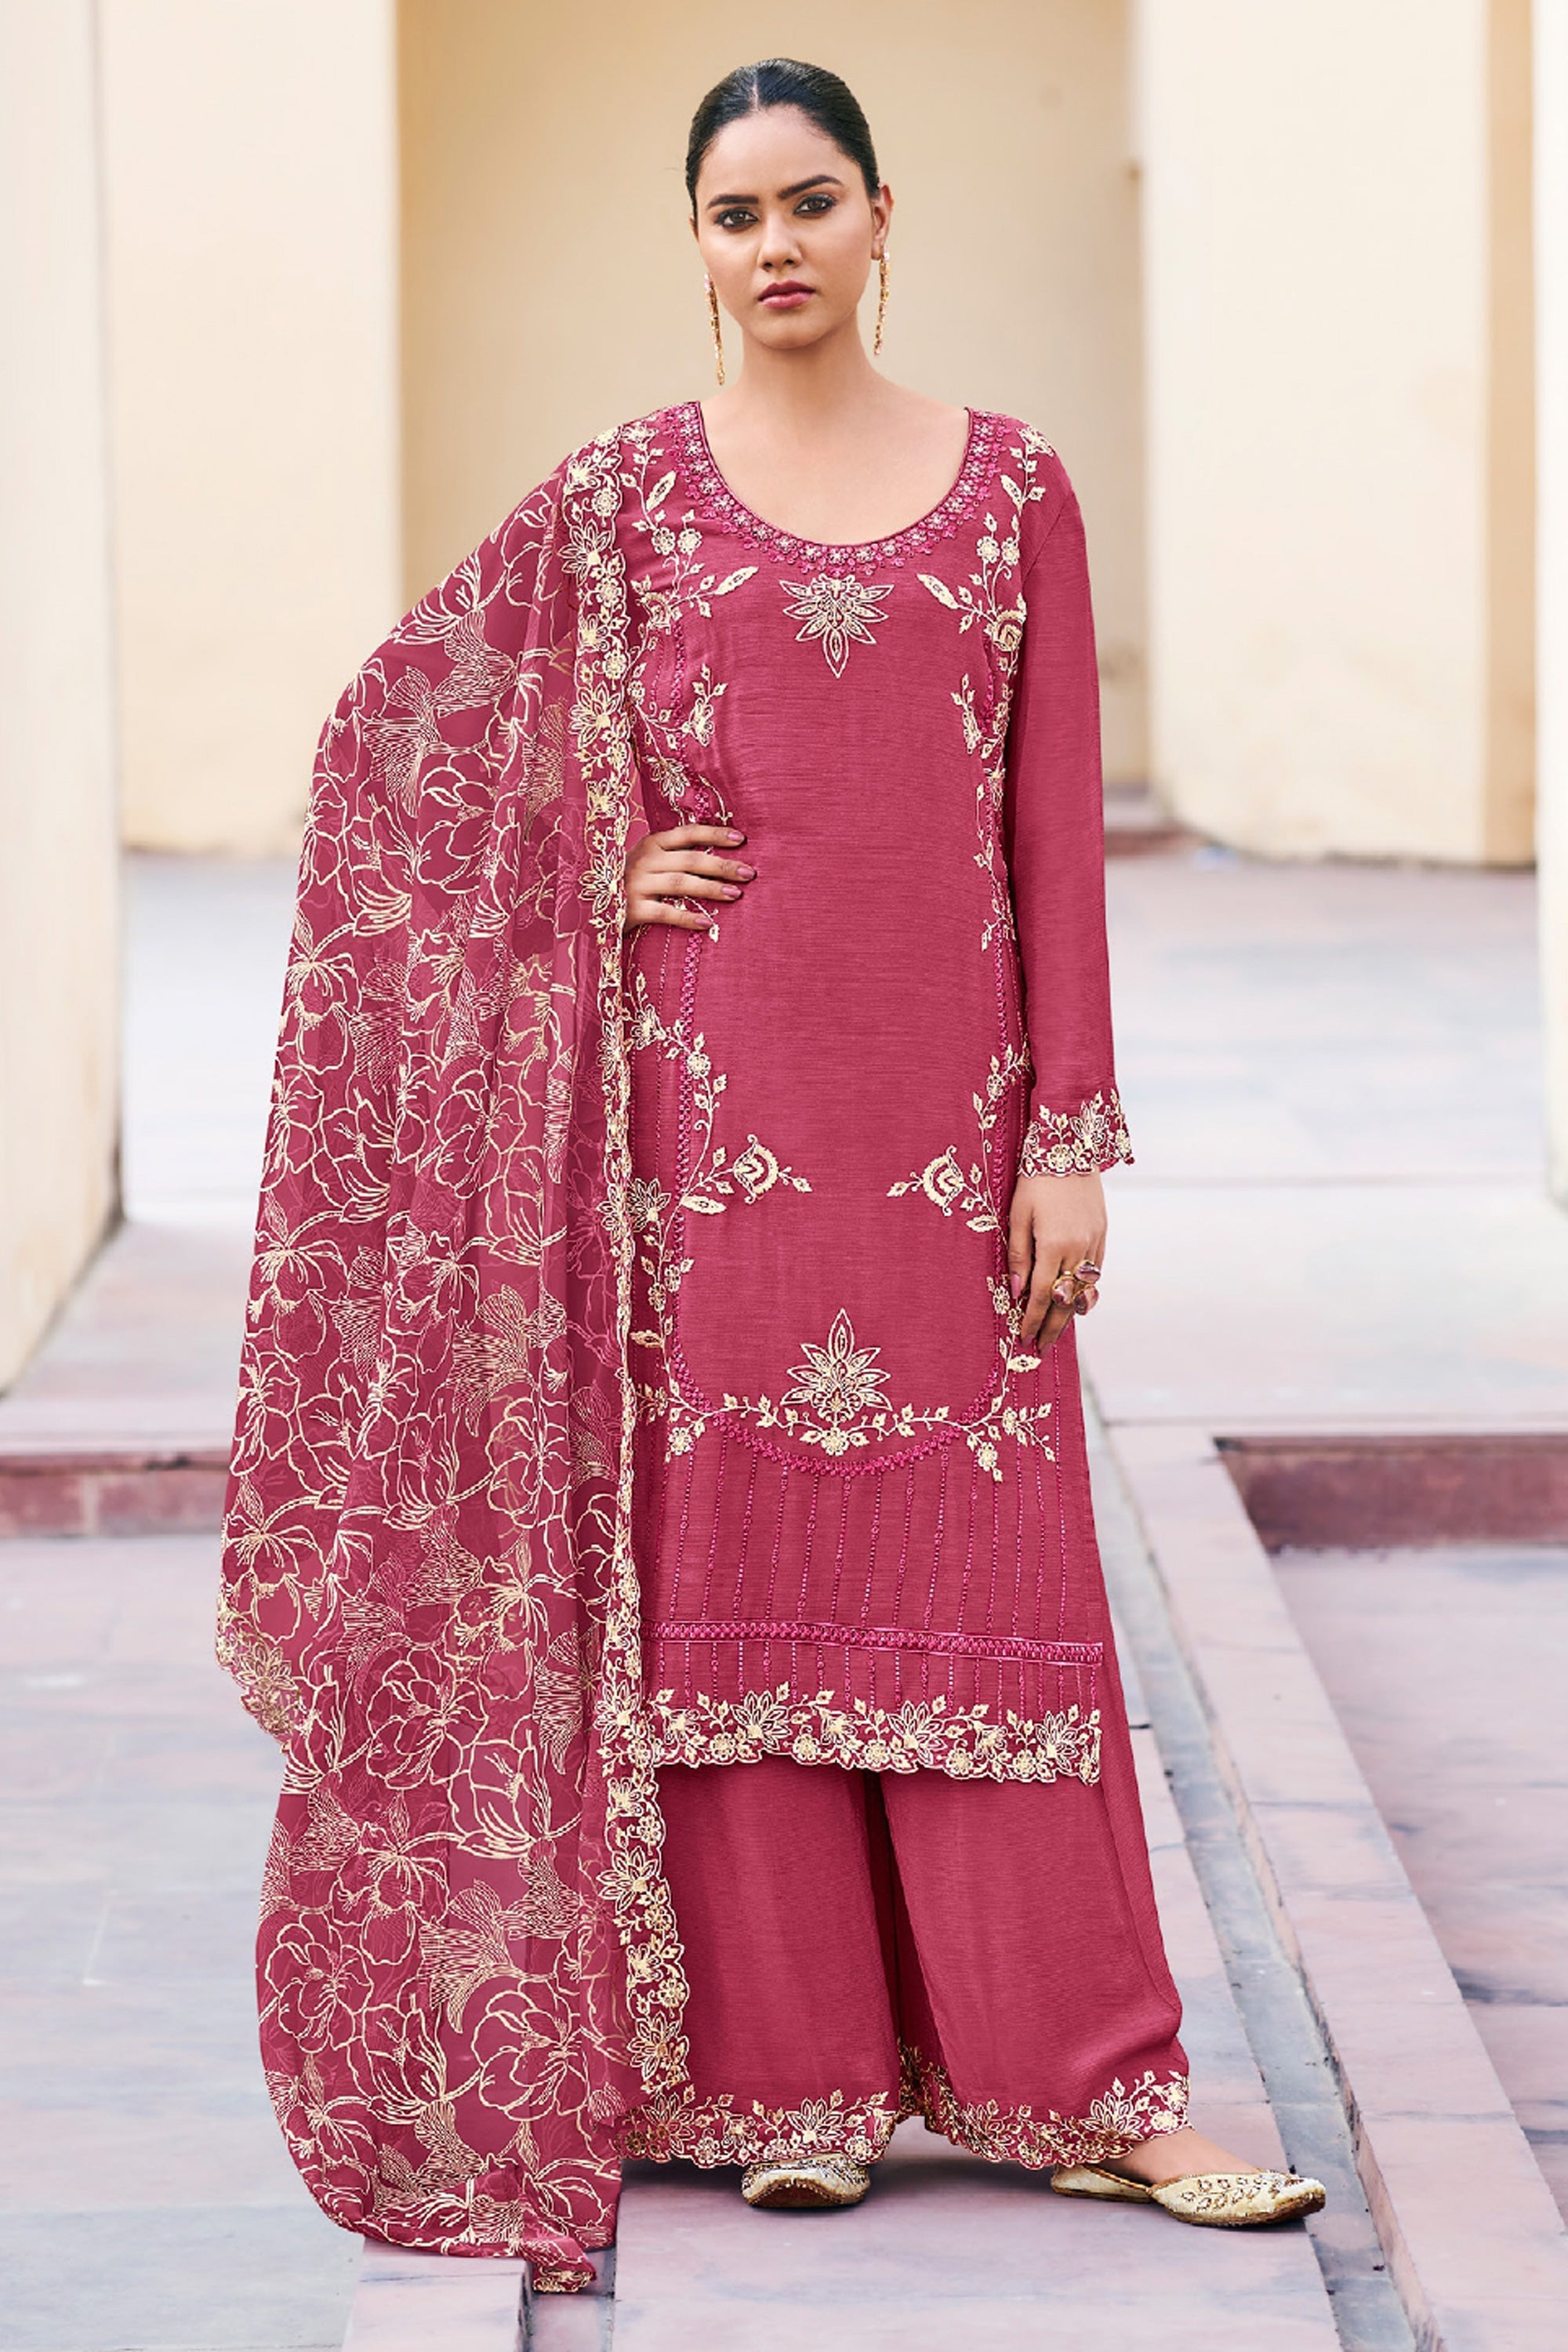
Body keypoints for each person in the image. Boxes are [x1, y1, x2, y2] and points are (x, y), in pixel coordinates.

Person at [216, 55, 1323, 2292]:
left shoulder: (1014, 491)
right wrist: (582, 873)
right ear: (700, 248)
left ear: (883, 217)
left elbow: (1052, 845)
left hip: (952, 1160)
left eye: (813, 202)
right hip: (699, 1152)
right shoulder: (622, 500)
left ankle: (1102, 2089)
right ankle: (780, 2090)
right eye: (737, 215)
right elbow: (394, 753)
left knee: (993, 1586)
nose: (778, 245)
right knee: (730, 1596)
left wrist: (1071, 1141)